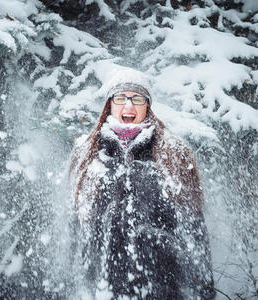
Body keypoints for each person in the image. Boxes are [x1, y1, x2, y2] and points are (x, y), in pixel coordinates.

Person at [68, 68, 215, 299]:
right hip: (103, 288)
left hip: (163, 287)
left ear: (147, 105)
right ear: (110, 105)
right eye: (120, 98)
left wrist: (204, 289)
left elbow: (194, 227)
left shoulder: (173, 153)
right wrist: (79, 284)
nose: (129, 106)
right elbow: (76, 229)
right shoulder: (88, 154)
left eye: (137, 99)